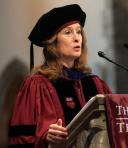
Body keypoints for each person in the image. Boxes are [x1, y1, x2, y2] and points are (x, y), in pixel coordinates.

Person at [8, 4, 112, 147]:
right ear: (53, 42)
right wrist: (45, 136)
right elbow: (21, 138)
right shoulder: (37, 85)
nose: (77, 38)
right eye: (68, 32)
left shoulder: (95, 83)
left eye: (79, 32)